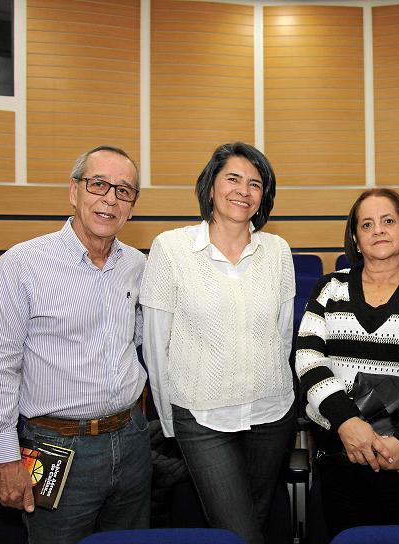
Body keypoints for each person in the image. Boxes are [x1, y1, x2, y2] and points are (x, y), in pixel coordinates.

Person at [0, 145, 150, 544]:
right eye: (99, 184)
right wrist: (4, 457)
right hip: (56, 449)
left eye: (124, 191)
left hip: (132, 439)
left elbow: (142, 342)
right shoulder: (22, 264)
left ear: (132, 205)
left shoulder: (139, 266)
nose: (110, 198)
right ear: (74, 191)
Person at [140, 142, 296, 544]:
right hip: (200, 415)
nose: (243, 190)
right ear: (211, 186)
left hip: (271, 412)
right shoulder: (170, 249)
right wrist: (171, 424)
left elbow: (283, 336)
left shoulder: (277, 251)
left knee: (257, 519)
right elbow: (156, 347)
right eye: (233, 178)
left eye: (255, 183)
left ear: (264, 197)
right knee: (238, 531)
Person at [295, 188, 399, 537]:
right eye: (366, 224)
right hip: (341, 445)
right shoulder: (329, 288)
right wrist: (347, 422)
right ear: (355, 238)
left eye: (388, 221)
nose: (378, 230)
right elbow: (308, 359)